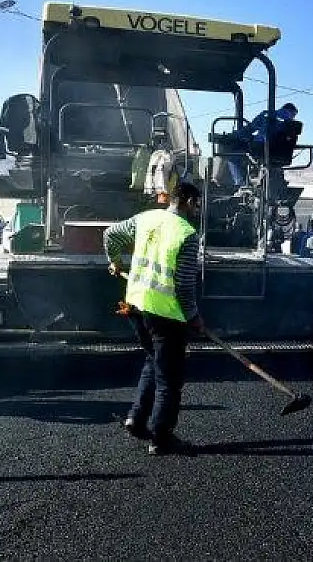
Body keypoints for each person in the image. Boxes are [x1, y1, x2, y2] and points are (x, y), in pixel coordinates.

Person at [104, 181, 204, 456]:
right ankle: (161, 438)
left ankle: (136, 420)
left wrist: (114, 260)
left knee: (152, 360)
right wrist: (194, 317)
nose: (198, 209)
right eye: (197, 203)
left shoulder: (145, 218)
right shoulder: (187, 234)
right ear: (188, 201)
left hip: (135, 306)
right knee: (169, 380)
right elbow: (184, 286)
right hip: (165, 316)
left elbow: (110, 234)